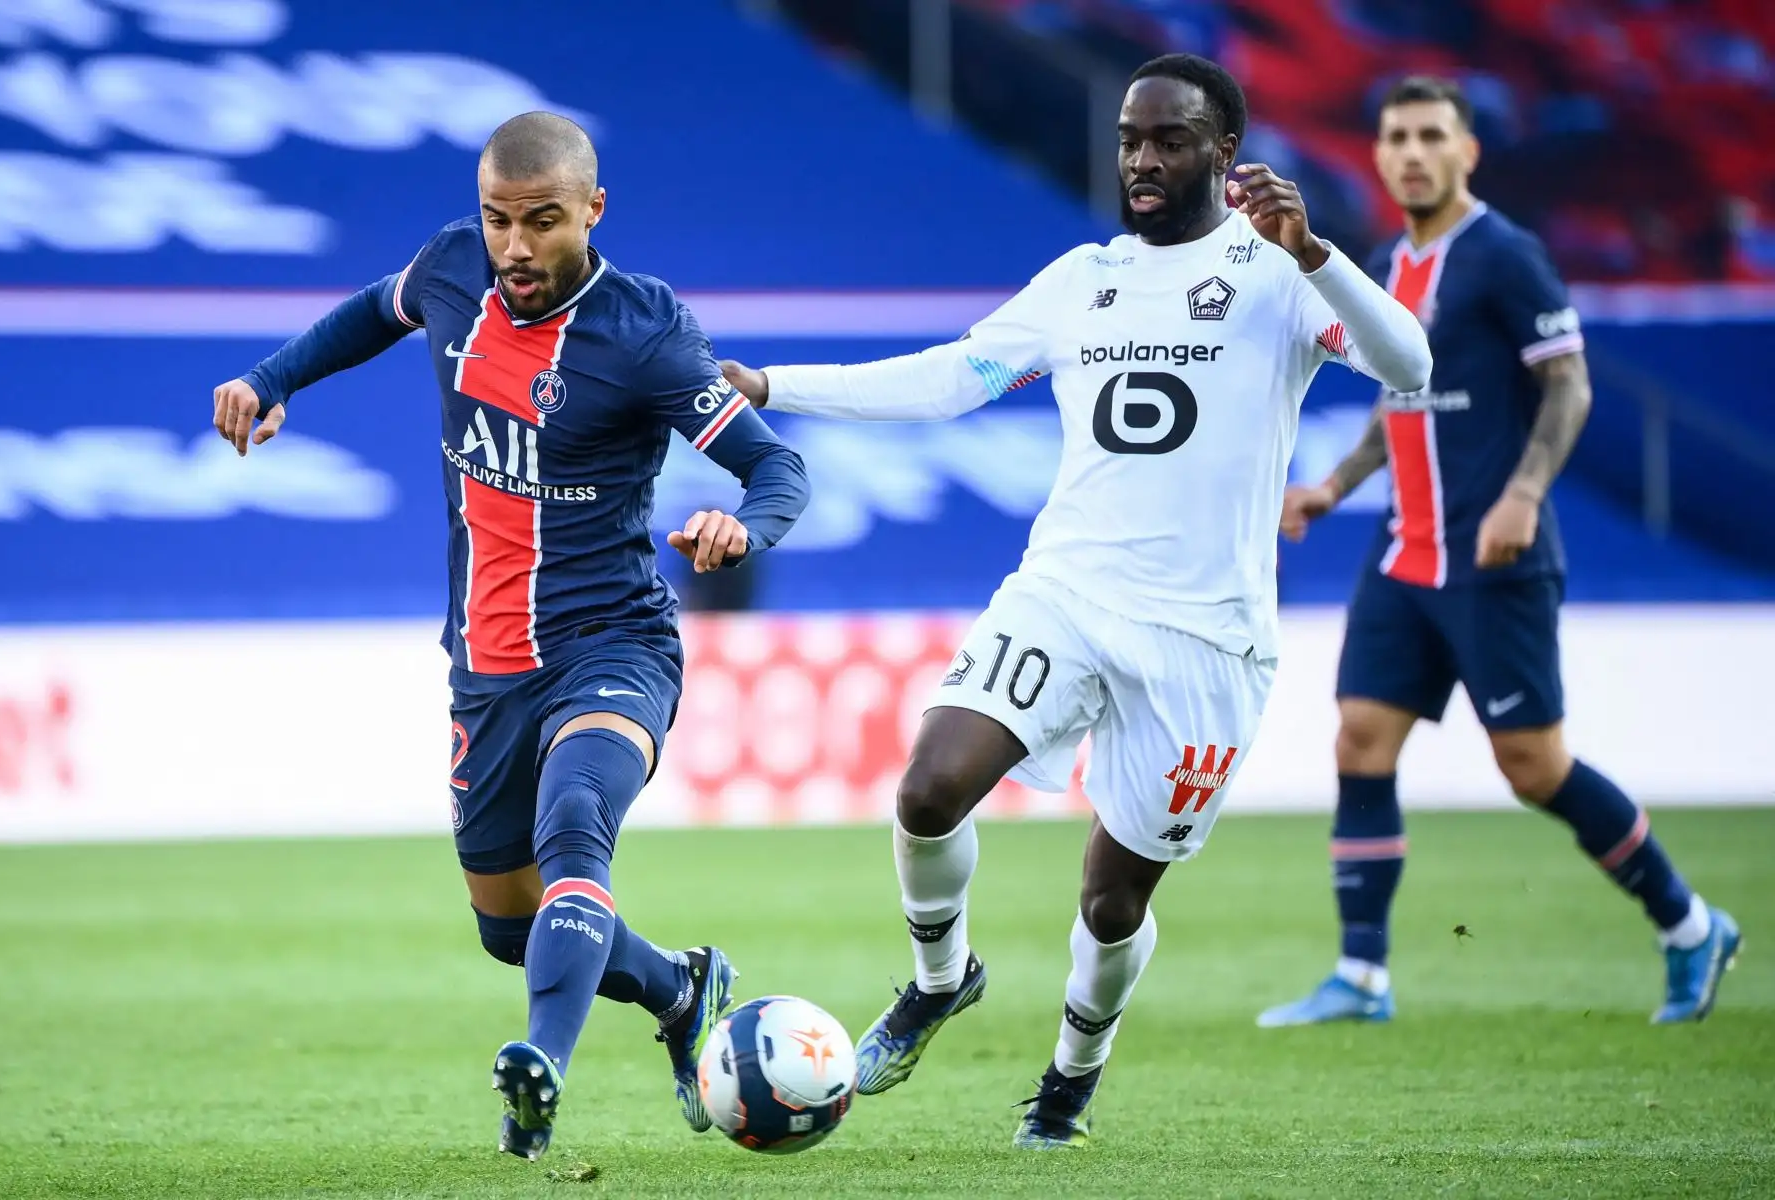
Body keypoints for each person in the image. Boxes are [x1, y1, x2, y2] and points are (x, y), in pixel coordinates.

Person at [721, 54, 1430, 1149]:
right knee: (926, 790)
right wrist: (777, 385)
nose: (1143, 160)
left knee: (1110, 906)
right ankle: (937, 980)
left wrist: (1323, 256)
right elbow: (953, 377)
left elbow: (1414, 367)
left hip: (1207, 640)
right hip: (1066, 592)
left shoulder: (1282, 277)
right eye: (1131, 140)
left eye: (1171, 140)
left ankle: (1069, 1077)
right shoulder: (1082, 280)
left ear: (1225, 152)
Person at [210, 112, 809, 1159]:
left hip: (613, 646)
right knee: (505, 923)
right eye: (498, 219)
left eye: (542, 221)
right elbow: (369, 310)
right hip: (487, 667)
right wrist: (272, 377)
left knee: (575, 823)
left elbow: (777, 468)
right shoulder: (450, 272)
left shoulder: (646, 332)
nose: (517, 247)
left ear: (592, 211)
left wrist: (740, 524)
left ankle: (541, 1070)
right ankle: (680, 986)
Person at [1256, 77, 1739, 1029]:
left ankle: (1688, 924)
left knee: (1532, 766)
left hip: (1494, 553)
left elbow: (1570, 389)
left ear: (1467, 152)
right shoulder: (1391, 262)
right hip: (1407, 553)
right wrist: (1334, 486)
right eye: (1396, 136)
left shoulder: (1507, 256)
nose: (1412, 152)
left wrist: (1523, 494)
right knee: (1360, 737)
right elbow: (1402, 402)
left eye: (1433, 135)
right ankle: (1361, 976)